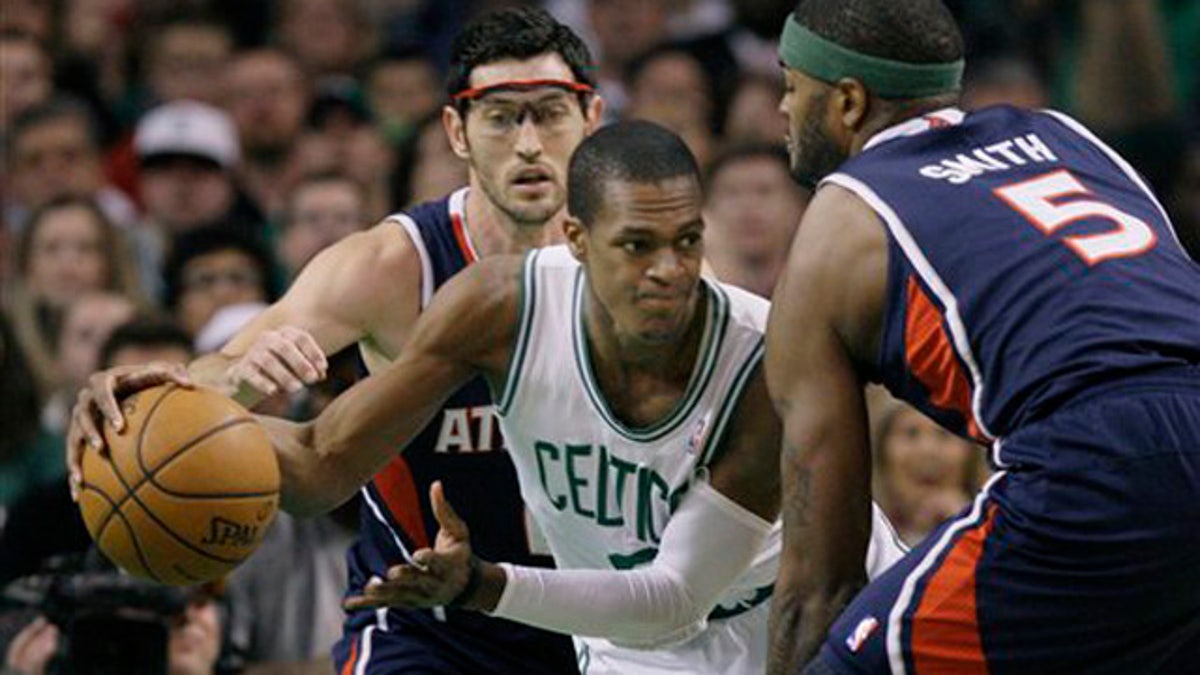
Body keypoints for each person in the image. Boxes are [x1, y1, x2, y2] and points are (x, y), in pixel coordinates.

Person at [72, 121, 906, 674]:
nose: (670, 271)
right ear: (575, 240)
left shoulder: (764, 354)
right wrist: (166, 409)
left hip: (809, 614)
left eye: (688, 241)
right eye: (638, 245)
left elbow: (672, 594)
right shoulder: (498, 307)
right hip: (638, 646)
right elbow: (324, 463)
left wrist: (481, 584)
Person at [69, 7, 604, 674]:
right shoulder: (392, 265)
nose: (528, 143)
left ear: (592, 119)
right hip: (430, 630)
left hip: (600, 621)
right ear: (456, 132)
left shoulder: (638, 264)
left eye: (550, 112)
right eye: (499, 116)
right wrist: (169, 387)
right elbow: (223, 372)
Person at [764, 1, 1200, 673]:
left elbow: (818, 579)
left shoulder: (842, 216)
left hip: (1099, 459)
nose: (782, 112)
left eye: (791, 87)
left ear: (848, 101)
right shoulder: (1066, 134)